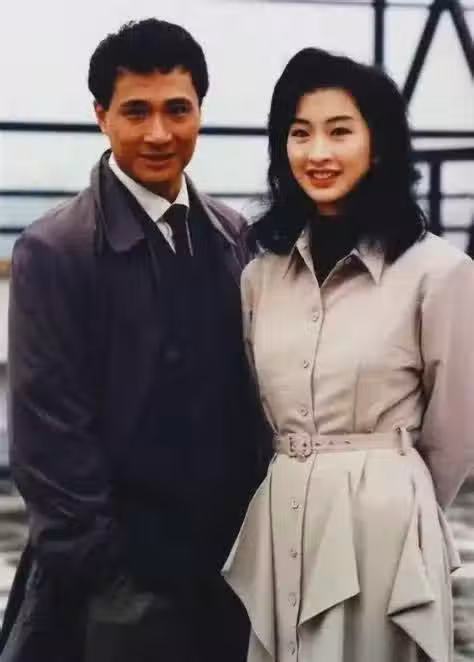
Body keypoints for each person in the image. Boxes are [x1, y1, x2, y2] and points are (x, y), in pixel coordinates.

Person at [1, 18, 269, 662]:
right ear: (101, 116)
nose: (158, 133)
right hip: (120, 588)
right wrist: (109, 576)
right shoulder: (55, 249)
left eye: (177, 110)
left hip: (227, 570)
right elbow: (47, 440)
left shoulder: (234, 237)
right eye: (135, 112)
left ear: (200, 111)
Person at [222, 48, 474, 662]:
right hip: (282, 513)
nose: (318, 153)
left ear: (378, 145)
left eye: (340, 132)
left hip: (384, 532)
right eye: (300, 133)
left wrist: (394, 499)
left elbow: (455, 433)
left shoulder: (440, 273)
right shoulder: (260, 277)